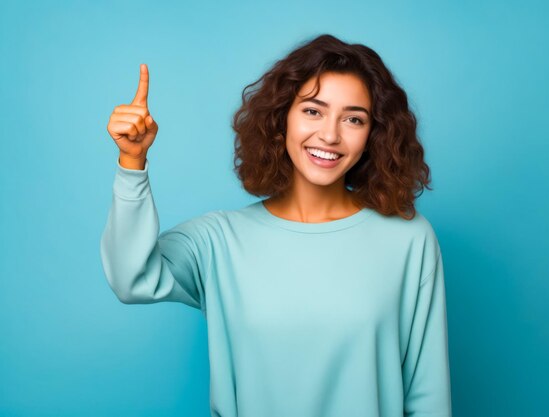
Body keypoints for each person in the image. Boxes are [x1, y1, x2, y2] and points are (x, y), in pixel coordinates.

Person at [101, 33, 451, 417]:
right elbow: (131, 278)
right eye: (313, 111)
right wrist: (132, 162)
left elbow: (428, 395)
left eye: (353, 118)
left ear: (374, 135)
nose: (330, 135)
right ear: (282, 118)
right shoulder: (219, 241)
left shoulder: (407, 239)